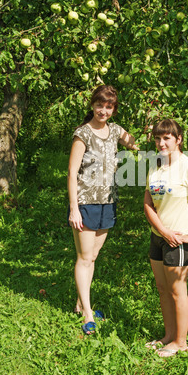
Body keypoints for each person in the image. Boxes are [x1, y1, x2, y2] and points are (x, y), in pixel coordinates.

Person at [67, 85, 138, 335]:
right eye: (100, 105)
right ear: (92, 105)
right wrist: (74, 209)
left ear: (113, 109)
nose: (103, 110)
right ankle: (87, 312)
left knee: (93, 257)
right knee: (84, 258)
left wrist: (156, 131)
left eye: (109, 107)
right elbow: (72, 173)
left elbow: (138, 146)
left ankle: (80, 303)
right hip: (86, 202)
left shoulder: (116, 130)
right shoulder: (82, 134)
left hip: (108, 201)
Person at [144, 119, 188, 357]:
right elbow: (148, 203)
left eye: (166, 138)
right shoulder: (155, 165)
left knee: (177, 291)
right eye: (157, 138)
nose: (161, 143)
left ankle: (181, 342)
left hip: (178, 241)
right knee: (162, 289)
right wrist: (161, 230)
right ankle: (168, 336)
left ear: (178, 139)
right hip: (158, 236)